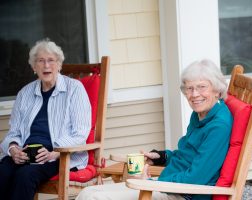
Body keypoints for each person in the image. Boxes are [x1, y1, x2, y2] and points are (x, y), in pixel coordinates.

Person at [76, 59, 233, 200]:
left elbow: (197, 178)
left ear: (217, 90)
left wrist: (151, 183)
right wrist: (161, 157)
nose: (194, 94)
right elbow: (186, 155)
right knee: (87, 193)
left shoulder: (218, 126)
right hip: (168, 185)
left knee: (96, 198)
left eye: (201, 87)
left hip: (184, 194)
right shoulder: (200, 114)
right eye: (189, 88)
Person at [0, 38, 91, 200]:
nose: (46, 65)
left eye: (51, 60)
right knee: (2, 172)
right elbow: (14, 131)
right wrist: (14, 149)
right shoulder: (24, 93)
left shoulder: (74, 89)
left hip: (58, 155)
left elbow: (80, 133)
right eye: (40, 61)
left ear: (59, 65)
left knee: (24, 176)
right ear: (34, 67)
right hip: (25, 153)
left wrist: (54, 152)